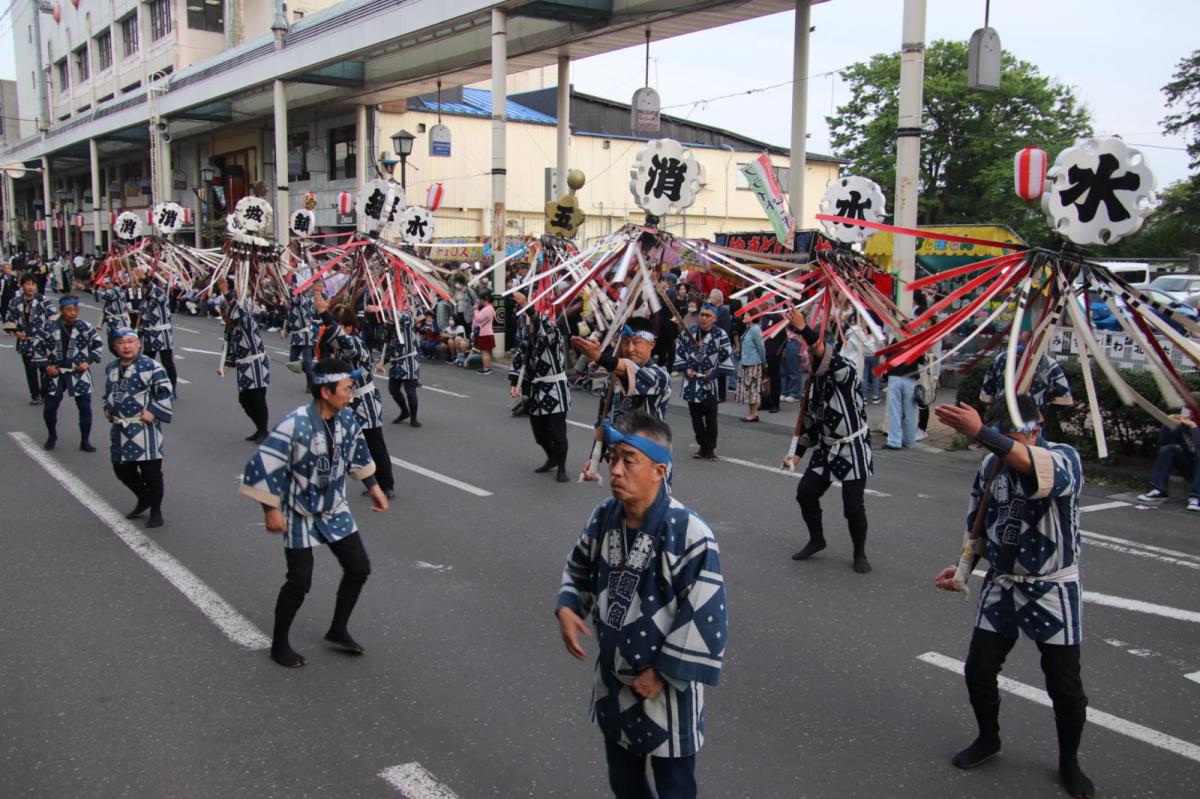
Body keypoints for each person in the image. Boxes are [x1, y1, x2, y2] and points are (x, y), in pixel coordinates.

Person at [555, 411, 727, 799]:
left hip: (665, 691)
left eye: (628, 461)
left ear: (659, 471)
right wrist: (569, 605)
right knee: (625, 783)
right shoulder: (604, 516)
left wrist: (662, 674)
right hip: (614, 683)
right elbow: (578, 568)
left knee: (675, 788)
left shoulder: (690, 533)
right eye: (612, 458)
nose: (615, 470)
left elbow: (706, 617)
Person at [934, 396, 1094, 799]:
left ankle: (1069, 761)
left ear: (1034, 428)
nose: (993, 446)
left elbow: (1038, 471)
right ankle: (989, 738)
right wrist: (964, 569)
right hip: (1003, 582)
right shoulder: (990, 465)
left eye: (1003, 436)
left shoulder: (1064, 457)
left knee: (1065, 686)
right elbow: (978, 524)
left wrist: (983, 434)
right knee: (979, 670)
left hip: (1053, 586)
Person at [240, 357, 388, 668]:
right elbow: (261, 465)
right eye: (347, 388)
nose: (351, 393)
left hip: (334, 506)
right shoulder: (294, 424)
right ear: (325, 392)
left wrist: (373, 485)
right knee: (299, 581)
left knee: (359, 567)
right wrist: (270, 509)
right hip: (299, 511)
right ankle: (279, 644)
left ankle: (338, 629)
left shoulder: (348, 420)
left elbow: (358, 454)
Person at [785, 309, 874, 574]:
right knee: (806, 492)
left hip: (852, 447)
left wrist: (804, 329)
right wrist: (798, 452)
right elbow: (812, 421)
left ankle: (860, 552)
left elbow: (823, 351)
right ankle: (817, 539)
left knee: (852, 506)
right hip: (826, 447)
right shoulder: (816, 384)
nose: (811, 356)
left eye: (815, 352)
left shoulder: (844, 371)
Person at [314, 297, 396, 499]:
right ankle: (365, 480)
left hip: (365, 401)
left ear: (349, 328)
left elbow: (342, 341)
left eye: (341, 326)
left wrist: (325, 315)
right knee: (349, 443)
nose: (338, 330)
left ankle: (386, 484)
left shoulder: (355, 343)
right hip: (349, 402)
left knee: (374, 443)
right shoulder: (342, 348)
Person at [572, 317, 672, 482]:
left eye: (637, 342)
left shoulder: (660, 376)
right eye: (625, 342)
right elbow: (603, 421)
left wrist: (599, 356)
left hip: (648, 462)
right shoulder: (612, 380)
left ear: (651, 344)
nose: (630, 349)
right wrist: (594, 458)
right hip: (620, 463)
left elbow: (630, 371)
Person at [103, 328, 174, 528]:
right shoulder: (112, 367)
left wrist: (153, 411)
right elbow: (111, 392)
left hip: (144, 428)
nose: (126, 346)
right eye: (121, 342)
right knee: (122, 470)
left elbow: (166, 392)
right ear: (115, 346)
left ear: (138, 344)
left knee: (151, 473)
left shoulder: (151, 366)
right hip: (120, 427)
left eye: (130, 341)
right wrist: (108, 408)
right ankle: (143, 498)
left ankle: (156, 510)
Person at [510, 300, 572, 482]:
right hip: (537, 389)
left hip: (555, 389)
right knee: (539, 432)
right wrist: (515, 384)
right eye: (524, 321)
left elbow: (541, 325)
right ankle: (552, 456)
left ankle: (562, 467)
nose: (527, 324)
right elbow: (519, 362)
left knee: (557, 432)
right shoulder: (526, 341)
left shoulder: (553, 334)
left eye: (528, 319)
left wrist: (529, 308)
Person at [32, 295, 103, 451]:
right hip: (55, 373)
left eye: (76, 309)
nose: (73, 313)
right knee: (50, 408)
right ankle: (52, 435)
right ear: (61, 310)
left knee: (85, 407)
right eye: (69, 310)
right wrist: (46, 367)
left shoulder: (85, 326)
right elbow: (37, 346)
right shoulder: (48, 326)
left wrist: (88, 361)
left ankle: (85, 440)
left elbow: (97, 345)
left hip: (79, 373)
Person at [979, 333, 1073, 440]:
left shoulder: (1049, 364)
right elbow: (988, 392)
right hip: (1002, 423)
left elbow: (1062, 398)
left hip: (1032, 428)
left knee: (1028, 454)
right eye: (1019, 333)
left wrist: (1039, 415)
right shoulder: (1001, 360)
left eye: (1028, 336)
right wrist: (995, 414)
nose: (1022, 339)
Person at [673, 304, 733, 462]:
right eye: (702, 315)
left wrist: (713, 375)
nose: (704, 318)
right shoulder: (689, 332)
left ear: (714, 318)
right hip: (692, 383)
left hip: (710, 383)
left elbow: (726, 358)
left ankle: (710, 448)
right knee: (696, 419)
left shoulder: (720, 335)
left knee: (711, 419)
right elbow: (679, 350)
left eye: (708, 315)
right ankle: (702, 446)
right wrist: (686, 368)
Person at [216, 276, 271, 443]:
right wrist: (225, 367)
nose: (225, 316)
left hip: (256, 364)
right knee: (244, 399)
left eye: (226, 312)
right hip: (244, 367)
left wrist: (227, 292)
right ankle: (259, 427)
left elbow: (237, 308)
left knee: (258, 398)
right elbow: (231, 350)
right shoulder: (231, 329)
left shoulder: (245, 320)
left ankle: (264, 431)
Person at [1136, 393, 1200, 510]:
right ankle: (1159, 490)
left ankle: (1196, 498)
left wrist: (1194, 427)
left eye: (1189, 408)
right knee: (1168, 449)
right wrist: (1168, 423)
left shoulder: (1192, 424)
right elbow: (1163, 442)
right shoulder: (1186, 422)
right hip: (1192, 469)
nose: (1186, 411)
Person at [4, 272, 56, 404]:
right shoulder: (15, 302)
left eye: (33, 284)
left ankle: (44, 393)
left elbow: (53, 319)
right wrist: (17, 333)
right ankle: (35, 395)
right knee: (30, 370)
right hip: (25, 341)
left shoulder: (44, 301)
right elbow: (9, 320)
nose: (30, 287)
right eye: (27, 284)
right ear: (22, 286)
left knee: (46, 369)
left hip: (43, 341)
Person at [137, 271, 178, 391]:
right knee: (146, 361)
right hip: (149, 334)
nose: (142, 287)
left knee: (167, 362)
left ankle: (172, 388)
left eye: (143, 285)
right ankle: (144, 385)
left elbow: (152, 288)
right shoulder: (145, 300)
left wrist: (144, 278)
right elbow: (143, 315)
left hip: (162, 334)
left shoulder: (160, 294)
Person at [384, 311, 422, 428]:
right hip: (396, 362)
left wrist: (397, 315)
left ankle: (414, 418)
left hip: (409, 360)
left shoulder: (407, 324)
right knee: (393, 389)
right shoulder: (390, 328)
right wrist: (383, 362)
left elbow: (407, 319)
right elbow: (387, 345)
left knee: (410, 390)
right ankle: (405, 411)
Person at [285, 281, 317, 387]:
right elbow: (291, 317)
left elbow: (292, 292)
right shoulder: (295, 301)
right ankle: (312, 371)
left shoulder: (300, 298)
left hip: (305, 334)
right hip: (296, 334)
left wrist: (291, 283)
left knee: (307, 360)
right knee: (293, 360)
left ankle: (310, 382)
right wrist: (287, 330)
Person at [736, 315, 766, 422]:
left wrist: (763, 361)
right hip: (746, 362)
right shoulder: (749, 328)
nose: (744, 316)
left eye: (747, 314)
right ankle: (752, 413)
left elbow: (761, 347)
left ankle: (754, 414)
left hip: (753, 363)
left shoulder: (756, 329)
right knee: (748, 389)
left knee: (752, 388)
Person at [473, 292, 496, 375]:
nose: (481, 301)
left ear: (485, 300)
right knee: (487, 351)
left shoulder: (486, 309)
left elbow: (478, 318)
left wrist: (475, 310)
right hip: (489, 332)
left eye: (482, 300)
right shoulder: (491, 308)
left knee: (484, 351)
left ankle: (486, 368)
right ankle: (487, 367)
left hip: (484, 333)